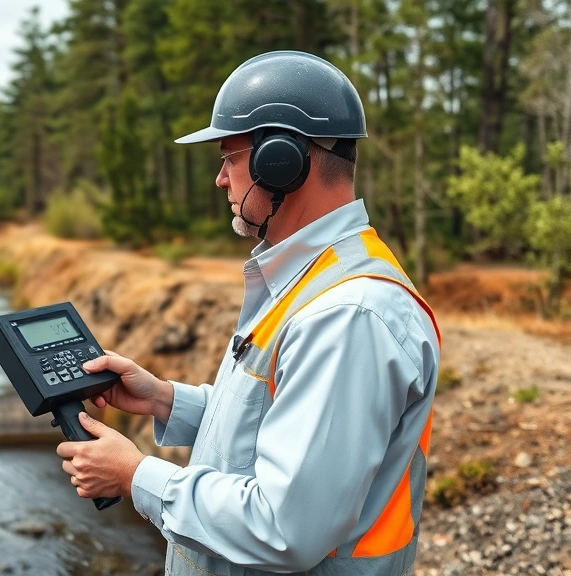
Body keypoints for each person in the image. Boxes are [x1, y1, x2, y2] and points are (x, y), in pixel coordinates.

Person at [56, 50, 441, 576]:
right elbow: (279, 416)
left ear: (278, 162)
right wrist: (167, 400)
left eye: (227, 158)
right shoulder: (314, 280)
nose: (221, 179)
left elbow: (284, 529)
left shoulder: (348, 315)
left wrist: (135, 475)